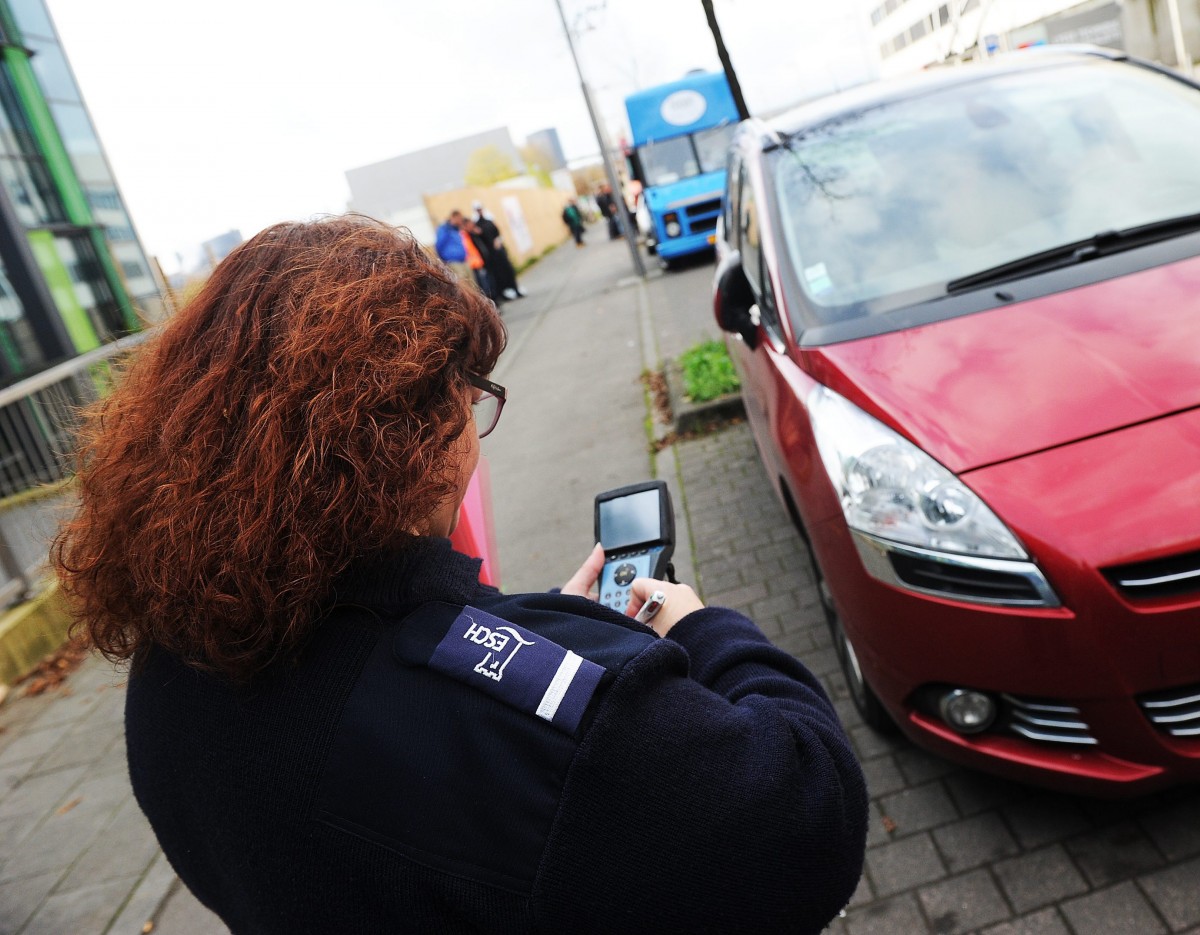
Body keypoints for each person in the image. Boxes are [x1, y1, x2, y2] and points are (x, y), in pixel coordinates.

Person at [51, 216, 867, 935]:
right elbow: (808, 813)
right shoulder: (583, 730)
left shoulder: (166, 671)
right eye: (467, 403)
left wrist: (529, 635)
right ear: (412, 448)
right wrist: (699, 628)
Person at [473, 201, 524, 299]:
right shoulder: (477, 225)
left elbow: (497, 233)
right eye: (477, 210)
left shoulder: (489, 221)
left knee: (508, 271)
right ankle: (503, 293)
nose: (479, 211)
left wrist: (498, 240)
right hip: (491, 256)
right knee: (498, 275)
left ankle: (515, 289)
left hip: (499, 252)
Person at [434, 209, 470, 282]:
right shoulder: (444, 229)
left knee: (471, 282)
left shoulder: (456, 230)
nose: (461, 221)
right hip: (453, 261)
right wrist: (444, 260)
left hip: (463, 260)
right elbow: (439, 245)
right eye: (459, 218)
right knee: (463, 282)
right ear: (454, 217)